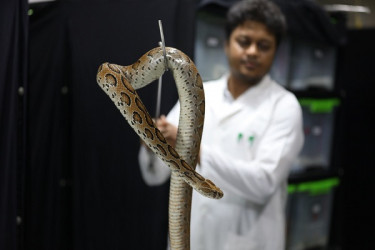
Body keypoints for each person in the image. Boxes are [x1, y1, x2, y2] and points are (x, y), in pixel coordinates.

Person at [138, 0, 304, 249]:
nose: (252, 52)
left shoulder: (284, 105)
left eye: (264, 45)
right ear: (227, 44)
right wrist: (153, 143)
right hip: (192, 238)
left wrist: (191, 147)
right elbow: (155, 175)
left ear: (275, 52)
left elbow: (264, 182)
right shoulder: (198, 93)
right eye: (244, 41)